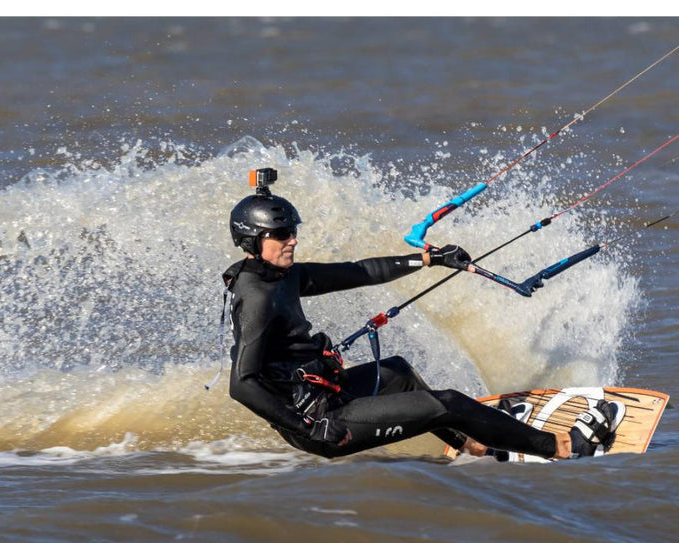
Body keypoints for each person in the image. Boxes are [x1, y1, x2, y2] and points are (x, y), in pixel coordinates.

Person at [222, 179, 620, 461]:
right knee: (446, 403)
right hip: (324, 424)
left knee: (398, 372)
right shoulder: (257, 296)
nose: (292, 238)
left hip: (329, 394)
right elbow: (242, 384)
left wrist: (429, 259)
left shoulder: (283, 274)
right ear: (254, 242)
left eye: (291, 230)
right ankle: (563, 447)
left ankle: (474, 446)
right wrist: (310, 429)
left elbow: (360, 271)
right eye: (280, 234)